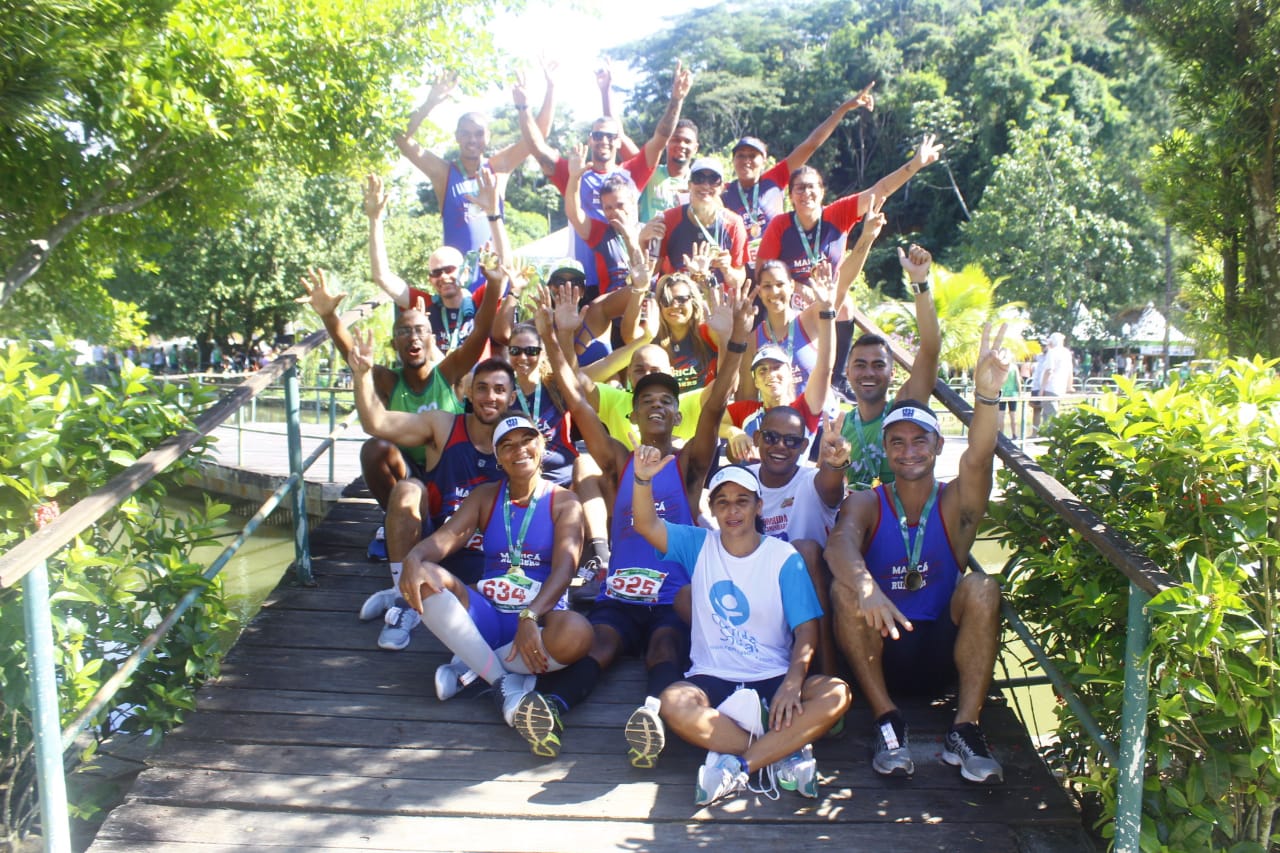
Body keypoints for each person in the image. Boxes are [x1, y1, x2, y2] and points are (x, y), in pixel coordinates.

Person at [535, 278, 756, 770]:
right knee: (603, 643)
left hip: (671, 598)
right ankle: (551, 706)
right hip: (621, 595)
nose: (657, 405)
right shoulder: (618, 461)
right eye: (646, 401)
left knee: (663, 644)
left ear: (677, 415)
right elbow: (577, 402)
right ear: (632, 414)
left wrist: (734, 341)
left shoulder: (691, 464)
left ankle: (652, 715)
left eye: (666, 401)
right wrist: (556, 338)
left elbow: (717, 403)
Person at [824, 323, 1014, 785]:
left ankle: (964, 729)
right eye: (897, 442)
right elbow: (839, 543)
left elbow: (980, 456)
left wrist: (987, 396)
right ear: (886, 451)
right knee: (844, 588)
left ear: (936, 446)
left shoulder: (954, 504)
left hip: (939, 650)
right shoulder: (869, 500)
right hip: (880, 654)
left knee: (983, 587)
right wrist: (867, 587)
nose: (909, 451)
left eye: (919, 441)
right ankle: (887, 721)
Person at [629, 459, 851, 804]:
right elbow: (645, 524)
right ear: (713, 511)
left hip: (774, 675)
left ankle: (740, 764)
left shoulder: (783, 556)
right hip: (713, 675)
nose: (732, 510)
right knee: (673, 703)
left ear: (758, 506)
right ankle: (784, 749)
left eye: (742, 500)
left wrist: (793, 683)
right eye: (723, 502)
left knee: (837, 693)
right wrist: (642, 480)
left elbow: (806, 630)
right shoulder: (698, 544)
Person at [395, 412, 594, 757]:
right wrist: (413, 558)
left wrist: (530, 616)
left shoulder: (564, 502)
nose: (519, 451)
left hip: (539, 619)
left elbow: (565, 569)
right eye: (507, 445)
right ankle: (504, 684)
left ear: (542, 445)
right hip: (486, 611)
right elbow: (442, 541)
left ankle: (472, 665)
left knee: (579, 634)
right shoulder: (485, 496)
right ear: (498, 457)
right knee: (426, 577)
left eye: (526, 441)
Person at [347, 320, 518, 651]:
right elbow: (376, 423)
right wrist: (362, 375)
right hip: (432, 544)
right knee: (408, 489)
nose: (489, 397)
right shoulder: (443, 424)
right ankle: (403, 597)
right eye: (481, 388)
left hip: (485, 559)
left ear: (511, 396)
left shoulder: (519, 438)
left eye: (499, 390)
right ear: (468, 391)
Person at [757, 134, 942, 399]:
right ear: (791, 196)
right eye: (799, 188)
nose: (806, 193)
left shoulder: (837, 214)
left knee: (844, 304)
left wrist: (915, 164)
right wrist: (798, 286)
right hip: (791, 299)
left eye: (812, 187)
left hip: (831, 296)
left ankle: (838, 379)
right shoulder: (780, 225)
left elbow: (880, 190)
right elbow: (763, 269)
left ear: (822, 192)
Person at [515, 62, 693, 289]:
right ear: (590, 139)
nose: (604, 141)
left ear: (619, 140)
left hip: (627, 277)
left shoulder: (631, 173)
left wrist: (676, 99)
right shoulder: (575, 173)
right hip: (584, 279)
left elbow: (661, 137)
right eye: (598, 135)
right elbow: (537, 148)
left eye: (610, 136)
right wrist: (523, 108)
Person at [395, 67, 556, 286]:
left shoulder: (499, 168)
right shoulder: (444, 173)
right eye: (466, 134)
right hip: (456, 287)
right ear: (457, 137)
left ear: (487, 137)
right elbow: (402, 139)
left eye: (479, 134)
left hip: (497, 283)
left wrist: (541, 94)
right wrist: (430, 101)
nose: (472, 140)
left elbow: (540, 134)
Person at [722, 83, 876, 266]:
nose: (746, 160)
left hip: (773, 271)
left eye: (752, 155)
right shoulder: (723, 191)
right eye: (740, 156)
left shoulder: (774, 178)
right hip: (739, 269)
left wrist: (843, 109)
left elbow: (811, 144)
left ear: (764, 160)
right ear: (733, 161)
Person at [839, 244, 942, 490]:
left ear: (891, 373)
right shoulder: (842, 424)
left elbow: (930, 347)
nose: (868, 373)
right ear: (848, 372)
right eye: (860, 365)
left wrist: (919, 282)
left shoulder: (904, 408)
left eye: (878, 365)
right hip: (857, 521)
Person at [655, 158, 748, 287]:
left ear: (721, 187)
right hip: (680, 302)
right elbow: (652, 270)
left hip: (717, 303)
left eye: (713, 179)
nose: (705, 185)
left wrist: (727, 270)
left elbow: (738, 281)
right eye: (699, 178)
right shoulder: (669, 219)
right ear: (689, 185)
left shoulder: (734, 224)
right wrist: (642, 241)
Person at [638, 119, 699, 222]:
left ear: (695, 148)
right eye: (676, 139)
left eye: (687, 141)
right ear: (667, 142)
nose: (682, 145)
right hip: (650, 237)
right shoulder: (650, 174)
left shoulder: (699, 183)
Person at [1039, 332, 1073, 420]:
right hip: (1060, 389)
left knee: (1050, 418)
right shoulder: (1066, 353)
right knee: (1051, 414)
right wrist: (1069, 386)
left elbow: (1049, 370)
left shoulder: (1052, 352)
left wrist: (1042, 389)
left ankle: (1049, 434)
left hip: (1050, 388)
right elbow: (1070, 371)